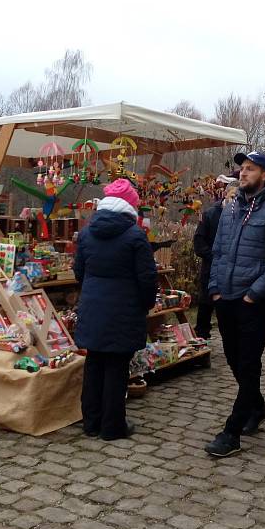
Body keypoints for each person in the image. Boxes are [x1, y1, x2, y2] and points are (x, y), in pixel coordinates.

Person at [204, 151, 265, 457]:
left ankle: (232, 432)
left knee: (248, 362)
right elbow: (217, 251)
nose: (242, 173)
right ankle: (257, 407)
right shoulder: (230, 209)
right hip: (225, 297)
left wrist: (255, 292)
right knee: (232, 359)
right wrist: (215, 288)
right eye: (241, 168)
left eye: (250, 169)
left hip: (253, 302)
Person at [74, 179, 158, 441]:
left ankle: (91, 422)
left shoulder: (87, 233)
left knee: (94, 363)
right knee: (116, 369)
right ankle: (112, 427)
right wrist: (144, 305)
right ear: (130, 207)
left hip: (92, 308)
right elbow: (147, 278)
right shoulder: (135, 236)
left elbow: (79, 272)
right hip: (123, 310)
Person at [193, 173, 239, 339]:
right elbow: (198, 243)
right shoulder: (210, 214)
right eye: (233, 196)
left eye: (238, 197)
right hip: (210, 267)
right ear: (226, 194)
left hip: (232, 271)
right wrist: (215, 257)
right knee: (205, 305)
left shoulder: (242, 214)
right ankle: (201, 338)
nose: (235, 200)